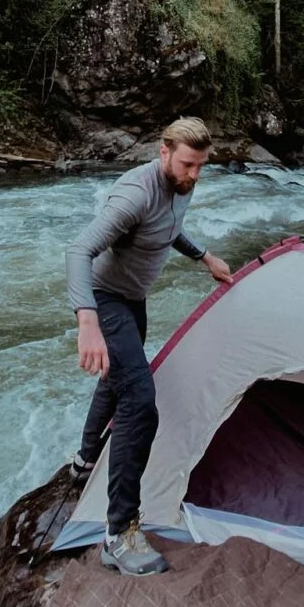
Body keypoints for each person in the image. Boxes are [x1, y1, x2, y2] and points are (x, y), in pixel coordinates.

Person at [66, 116, 232, 575]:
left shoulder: (181, 184)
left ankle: (84, 459)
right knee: (140, 401)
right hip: (105, 299)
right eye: (187, 164)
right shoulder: (134, 193)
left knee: (120, 378)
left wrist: (204, 256)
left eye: (201, 165)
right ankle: (118, 533)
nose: (194, 174)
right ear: (163, 153)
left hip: (132, 300)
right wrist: (87, 321)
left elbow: (167, 227)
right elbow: (78, 250)